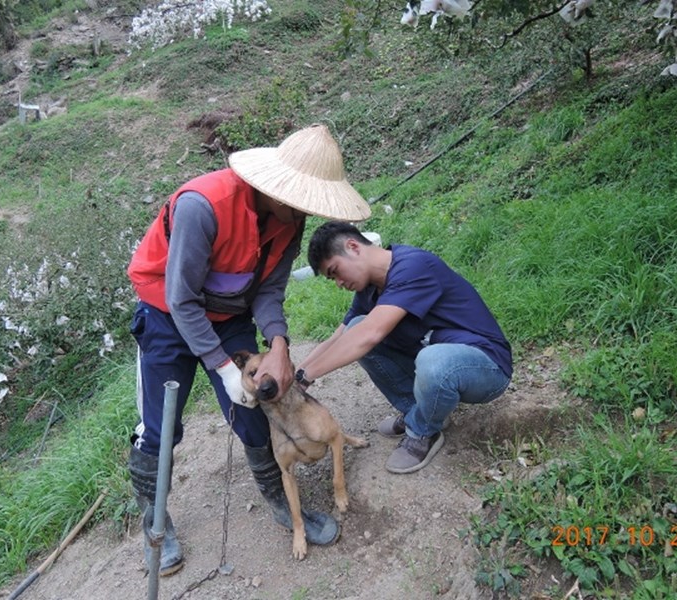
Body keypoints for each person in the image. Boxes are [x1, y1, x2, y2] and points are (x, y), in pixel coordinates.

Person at [125, 125, 371, 575]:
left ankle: (279, 499)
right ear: (275, 184)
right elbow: (181, 299)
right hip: (166, 313)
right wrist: (222, 369)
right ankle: (155, 525)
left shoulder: (290, 222)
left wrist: (278, 344)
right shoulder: (204, 207)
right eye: (298, 201)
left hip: (229, 314)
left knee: (257, 411)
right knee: (159, 433)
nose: (302, 213)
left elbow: (270, 289)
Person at [295, 221, 512, 475]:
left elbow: (370, 334)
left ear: (353, 247)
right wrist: (297, 375)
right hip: (437, 358)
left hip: (485, 366)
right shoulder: (369, 289)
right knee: (357, 324)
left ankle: (423, 430)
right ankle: (418, 411)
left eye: (335, 271)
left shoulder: (413, 266)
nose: (339, 283)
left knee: (429, 360)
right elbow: (337, 338)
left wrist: (308, 377)